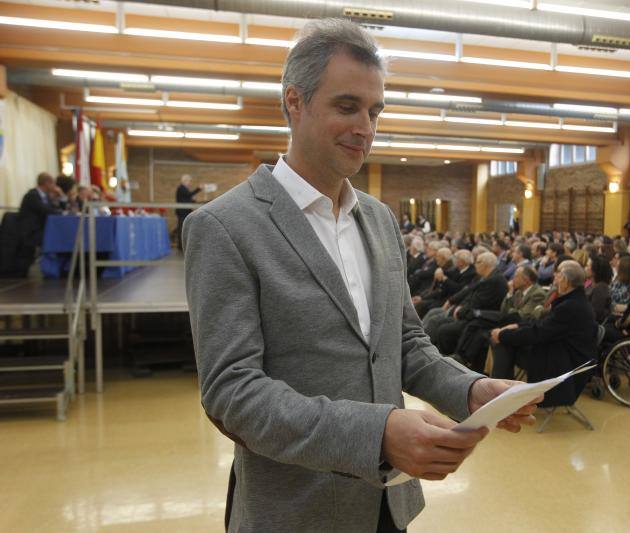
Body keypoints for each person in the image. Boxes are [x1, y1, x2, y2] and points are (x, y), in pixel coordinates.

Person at [183, 19, 538, 533]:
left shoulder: (378, 220)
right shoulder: (225, 227)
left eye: (375, 111)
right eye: (347, 106)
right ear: (294, 102)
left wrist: (471, 390)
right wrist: (376, 433)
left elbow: (405, 344)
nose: (366, 127)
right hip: (295, 511)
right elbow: (232, 393)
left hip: (386, 505)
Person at [488, 261, 596, 405]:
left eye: (558, 276)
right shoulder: (573, 301)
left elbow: (539, 333)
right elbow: (543, 325)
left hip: (563, 365)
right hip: (559, 353)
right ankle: (503, 393)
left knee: (503, 344)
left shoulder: (570, 306)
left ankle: (501, 396)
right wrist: (517, 325)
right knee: (506, 340)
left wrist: (503, 335)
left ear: (565, 281)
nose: (555, 279)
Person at [17, 172, 64, 276]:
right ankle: (53, 268)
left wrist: (60, 197)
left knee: (60, 234)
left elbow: (56, 209)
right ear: (46, 183)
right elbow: (46, 211)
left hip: (42, 229)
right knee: (57, 237)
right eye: (53, 184)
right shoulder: (32, 195)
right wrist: (62, 213)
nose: (55, 187)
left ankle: (61, 266)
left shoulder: (45, 196)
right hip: (31, 232)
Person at [175, 174, 201, 250]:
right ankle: (180, 246)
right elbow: (188, 195)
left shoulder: (183, 188)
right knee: (181, 228)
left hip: (185, 211)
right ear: (185, 181)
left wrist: (193, 201)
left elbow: (185, 198)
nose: (190, 183)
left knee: (183, 228)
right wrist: (198, 189)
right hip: (182, 212)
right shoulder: (181, 188)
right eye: (189, 181)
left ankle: (182, 245)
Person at [585, 255, 613, 324]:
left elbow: (596, 313)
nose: (585, 268)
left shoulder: (600, 288)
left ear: (595, 271)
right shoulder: (592, 284)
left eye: (588, 266)